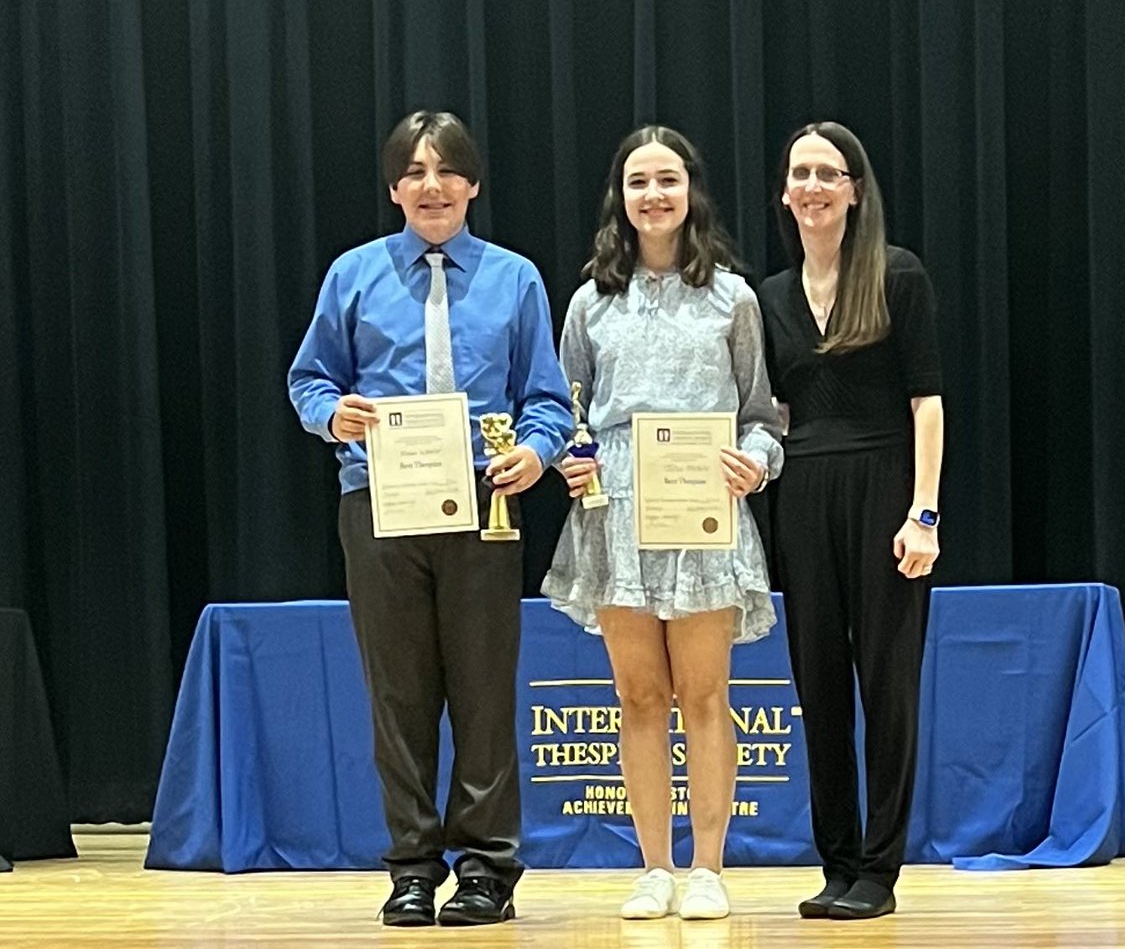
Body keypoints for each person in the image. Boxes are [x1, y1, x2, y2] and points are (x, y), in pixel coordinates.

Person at [288, 111, 573, 928]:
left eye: (447, 169)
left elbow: (546, 398)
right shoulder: (353, 275)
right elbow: (310, 380)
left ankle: (487, 869)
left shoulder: (515, 278)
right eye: (413, 171)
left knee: (483, 694)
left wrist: (537, 450)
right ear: (393, 189)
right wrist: (328, 414)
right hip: (378, 504)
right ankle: (411, 865)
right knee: (400, 697)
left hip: (485, 503)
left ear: (473, 184)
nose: (431, 184)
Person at [542, 125, 784, 921]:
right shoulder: (589, 301)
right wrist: (570, 461)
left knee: (706, 695)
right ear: (621, 195)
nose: (654, 195)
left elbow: (762, 416)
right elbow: (564, 412)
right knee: (639, 697)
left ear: (692, 193)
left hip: (705, 514)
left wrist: (755, 461)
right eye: (639, 181)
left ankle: (709, 867)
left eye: (669, 181)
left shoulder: (733, 298)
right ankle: (653, 865)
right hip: (615, 520)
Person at [757, 121, 944, 920]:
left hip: (885, 487)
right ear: (786, 193)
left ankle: (879, 868)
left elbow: (927, 403)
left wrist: (923, 514)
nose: (811, 187)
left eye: (827, 173)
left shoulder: (898, 276)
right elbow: (773, 413)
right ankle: (835, 862)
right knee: (819, 687)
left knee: (888, 688)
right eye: (799, 173)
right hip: (802, 496)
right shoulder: (767, 296)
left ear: (855, 189)